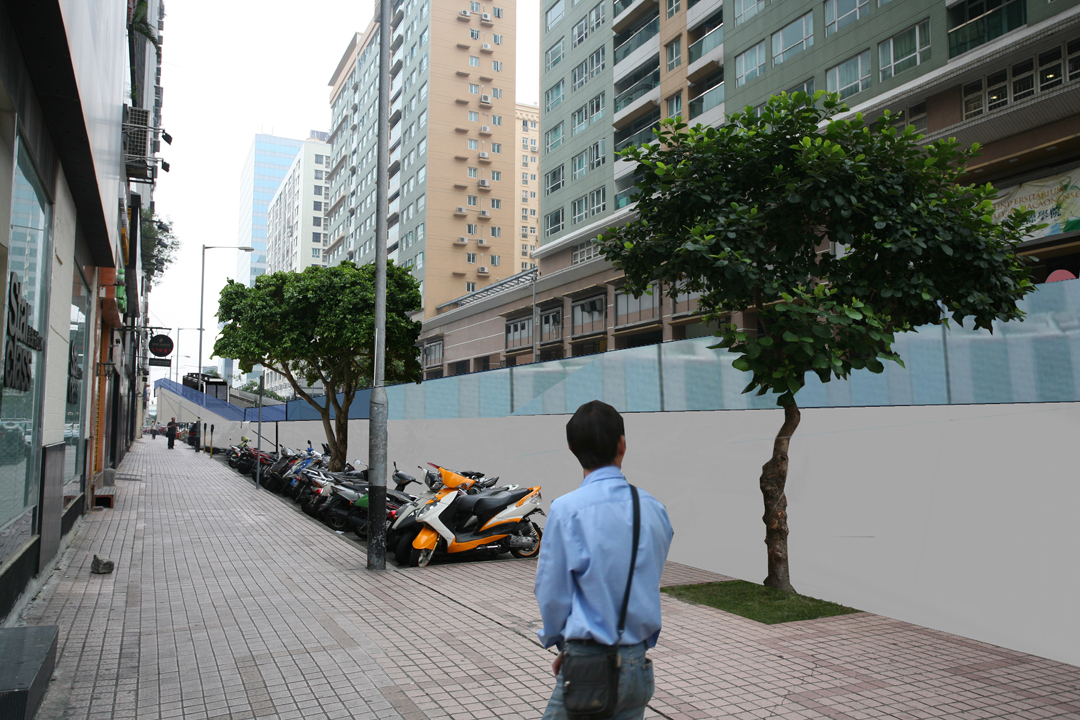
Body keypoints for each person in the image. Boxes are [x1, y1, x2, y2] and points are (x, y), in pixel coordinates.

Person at [535, 400, 673, 720]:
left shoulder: (566, 509)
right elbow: (649, 574)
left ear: (572, 448)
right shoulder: (653, 508)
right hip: (638, 666)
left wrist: (564, 645)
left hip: (588, 663)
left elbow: (551, 592)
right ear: (622, 444)